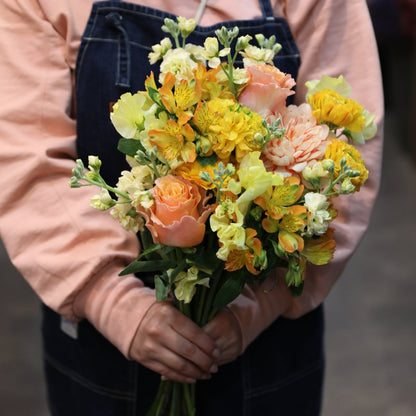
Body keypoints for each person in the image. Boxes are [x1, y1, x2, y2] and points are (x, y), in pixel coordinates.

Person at [0, 0, 383, 415]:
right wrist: (111, 299)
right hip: (101, 346)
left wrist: (255, 307)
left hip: (264, 342)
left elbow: (349, 154)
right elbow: (26, 158)